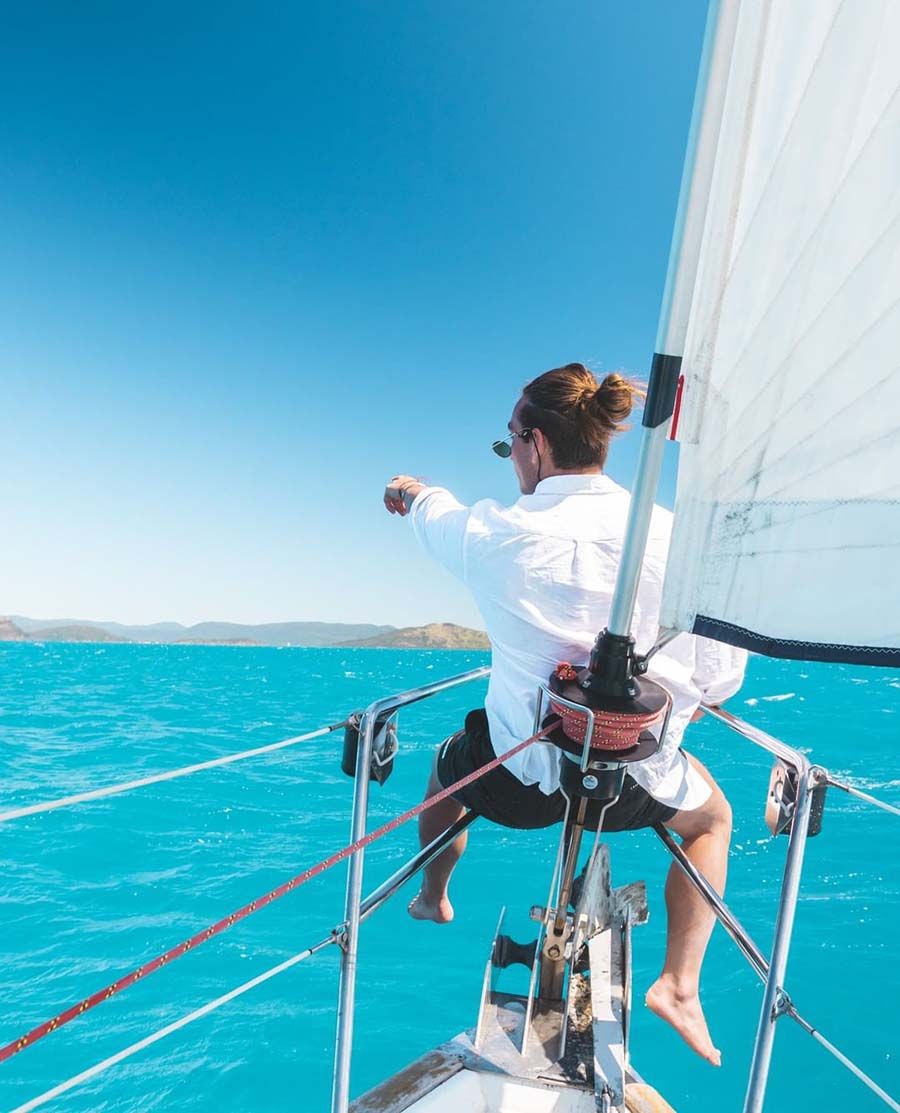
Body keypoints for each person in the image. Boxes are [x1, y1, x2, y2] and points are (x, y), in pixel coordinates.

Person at [382, 362, 746, 1067]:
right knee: (711, 819)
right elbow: (722, 676)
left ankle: (434, 895)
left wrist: (409, 488)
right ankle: (680, 984)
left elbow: (433, 510)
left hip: (517, 781)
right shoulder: (676, 543)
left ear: (537, 443)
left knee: (447, 777)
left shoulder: (496, 532)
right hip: (628, 788)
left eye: (509, 444)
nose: (512, 457)